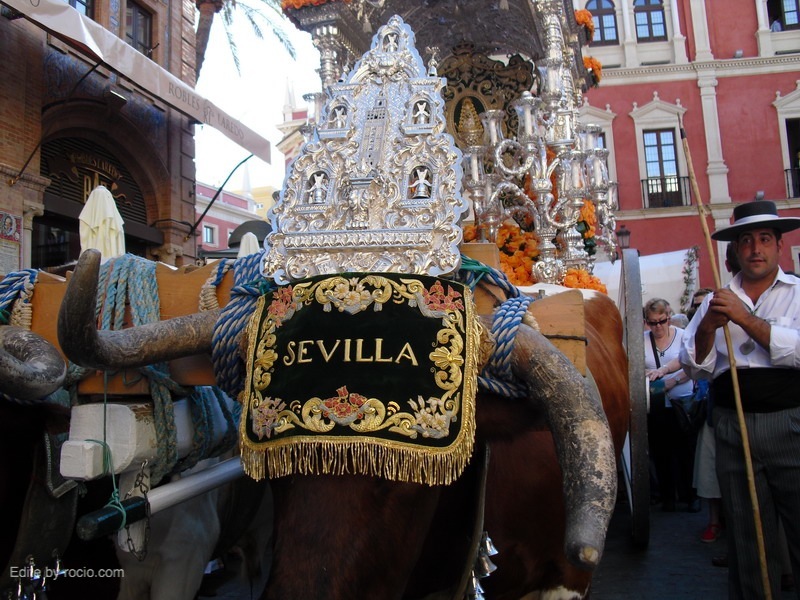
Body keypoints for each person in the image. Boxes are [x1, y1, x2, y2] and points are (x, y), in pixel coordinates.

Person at [680, 200, 800, 599]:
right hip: (733, 427)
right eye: (746, 240)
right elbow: (695, 368)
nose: (755, 249)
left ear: (779, 245)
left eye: (764, 239)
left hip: (791, 423)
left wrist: (744, 319)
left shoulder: (798, 293)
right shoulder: (716, 299)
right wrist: (707, 329)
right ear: (735, 249)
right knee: (748, 538)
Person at [644, 297, 699, 513]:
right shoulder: (642, 341)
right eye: (652, 323)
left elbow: (692, 366)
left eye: (661, 321)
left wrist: (672, 380)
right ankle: (668, 497)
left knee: (686, 451)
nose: (658, 327)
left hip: (681, 401)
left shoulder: (683, 337)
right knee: (661, 451)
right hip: (657, 404)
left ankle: (690, 495)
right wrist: (649, 376)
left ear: (668, 317)